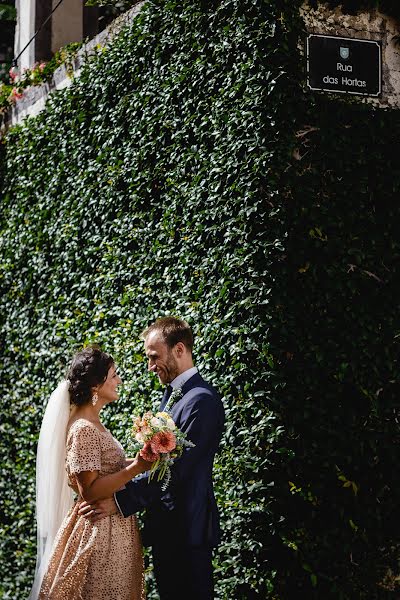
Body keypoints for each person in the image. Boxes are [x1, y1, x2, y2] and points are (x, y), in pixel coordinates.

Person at [79, 317, 225, 600]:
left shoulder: (202, 400)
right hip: (168, 531)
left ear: (179, 349)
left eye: (154, 357)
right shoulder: (174, 396)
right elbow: (157, 464)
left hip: (187, 531)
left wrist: (120, 501)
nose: (150, 366)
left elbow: (177, 471)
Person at [30, 345, 152, 600]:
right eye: (114, 375)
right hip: (100, 531)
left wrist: (145, 460)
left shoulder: (93, 423)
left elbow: (104, 468)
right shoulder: (84, 428)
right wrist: (137, 467)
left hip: (113, 525)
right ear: (96, 385)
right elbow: (90, 490)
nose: (119, 380)